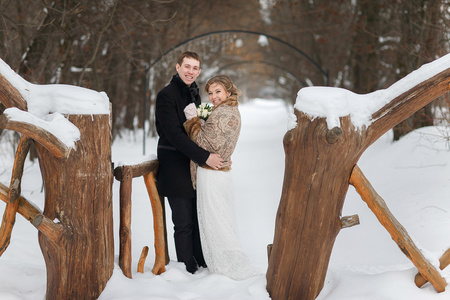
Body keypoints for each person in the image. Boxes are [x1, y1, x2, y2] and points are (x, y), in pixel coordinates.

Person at [183, 75, 259, 280]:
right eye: (210, 93)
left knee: (216, 220)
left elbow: (203, 143)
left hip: (212, 174)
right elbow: (214, 134)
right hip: (217, 172)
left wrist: (191, 120)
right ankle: (221, 262)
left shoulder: (224, 113)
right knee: (219, 218)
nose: (214, 97)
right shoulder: (225, 110)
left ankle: (226, 266)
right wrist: (201, 116)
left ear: (228, 92)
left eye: (218, 92)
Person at [155, 51, 224, 274]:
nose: (190, 71)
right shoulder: (167, 95)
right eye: (187, 66)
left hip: (193, 166)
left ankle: (201, 264)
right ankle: (187, 271)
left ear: (199, 71)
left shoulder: (194, 94)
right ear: (177, 67)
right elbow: (174, 135)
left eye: (195, 68)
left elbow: (200, 132)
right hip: (174, 165)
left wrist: (219, 153)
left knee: (197, 218)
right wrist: (205, 157)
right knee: (183, 222)